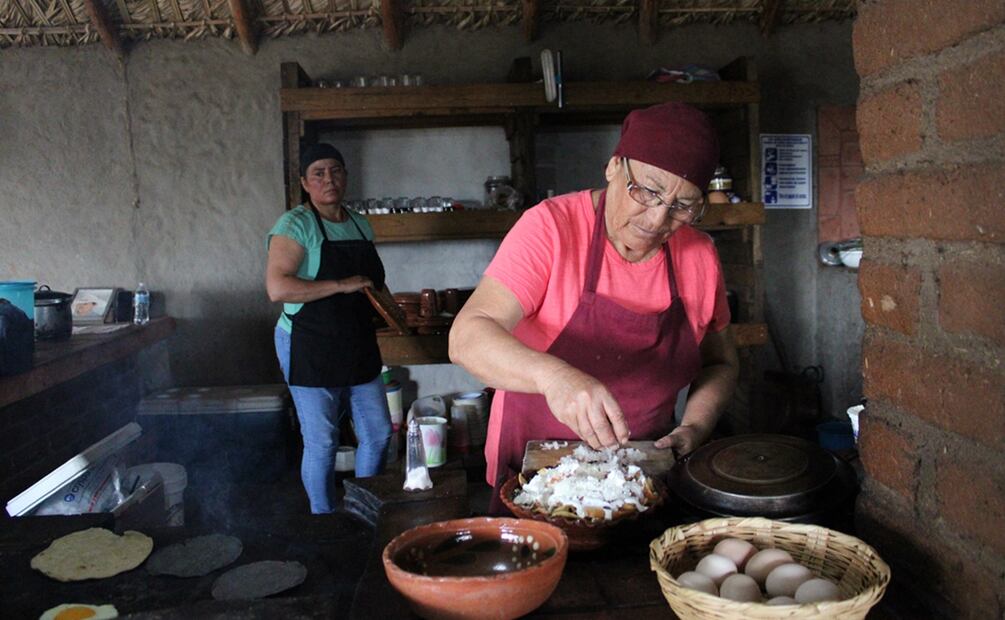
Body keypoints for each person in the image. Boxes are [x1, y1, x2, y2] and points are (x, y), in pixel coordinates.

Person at [448, 102, 739, 501]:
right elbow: (466, 337)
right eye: (647, 191)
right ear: (614, 167)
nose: (656, 220)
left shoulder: (699, 255)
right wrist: (554, 378)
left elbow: (720, 362)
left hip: (641, 476)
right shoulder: (551, 227)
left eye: (682, 206)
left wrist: (695, 427)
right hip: (536, 476)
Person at [266, 142, 392, 514]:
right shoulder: (295, 225)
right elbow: (278, 288)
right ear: (305, 183)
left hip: (356, 340)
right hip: (310, 342)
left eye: (335, 171)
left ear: (345, 177)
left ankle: (363, 510)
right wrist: (340, 284)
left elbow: (374, 283)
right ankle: (323, 518)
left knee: (378, 433)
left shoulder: (359, 223)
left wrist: (395, 313)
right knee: (322, 442)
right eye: (318, 173)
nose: (328, 179)